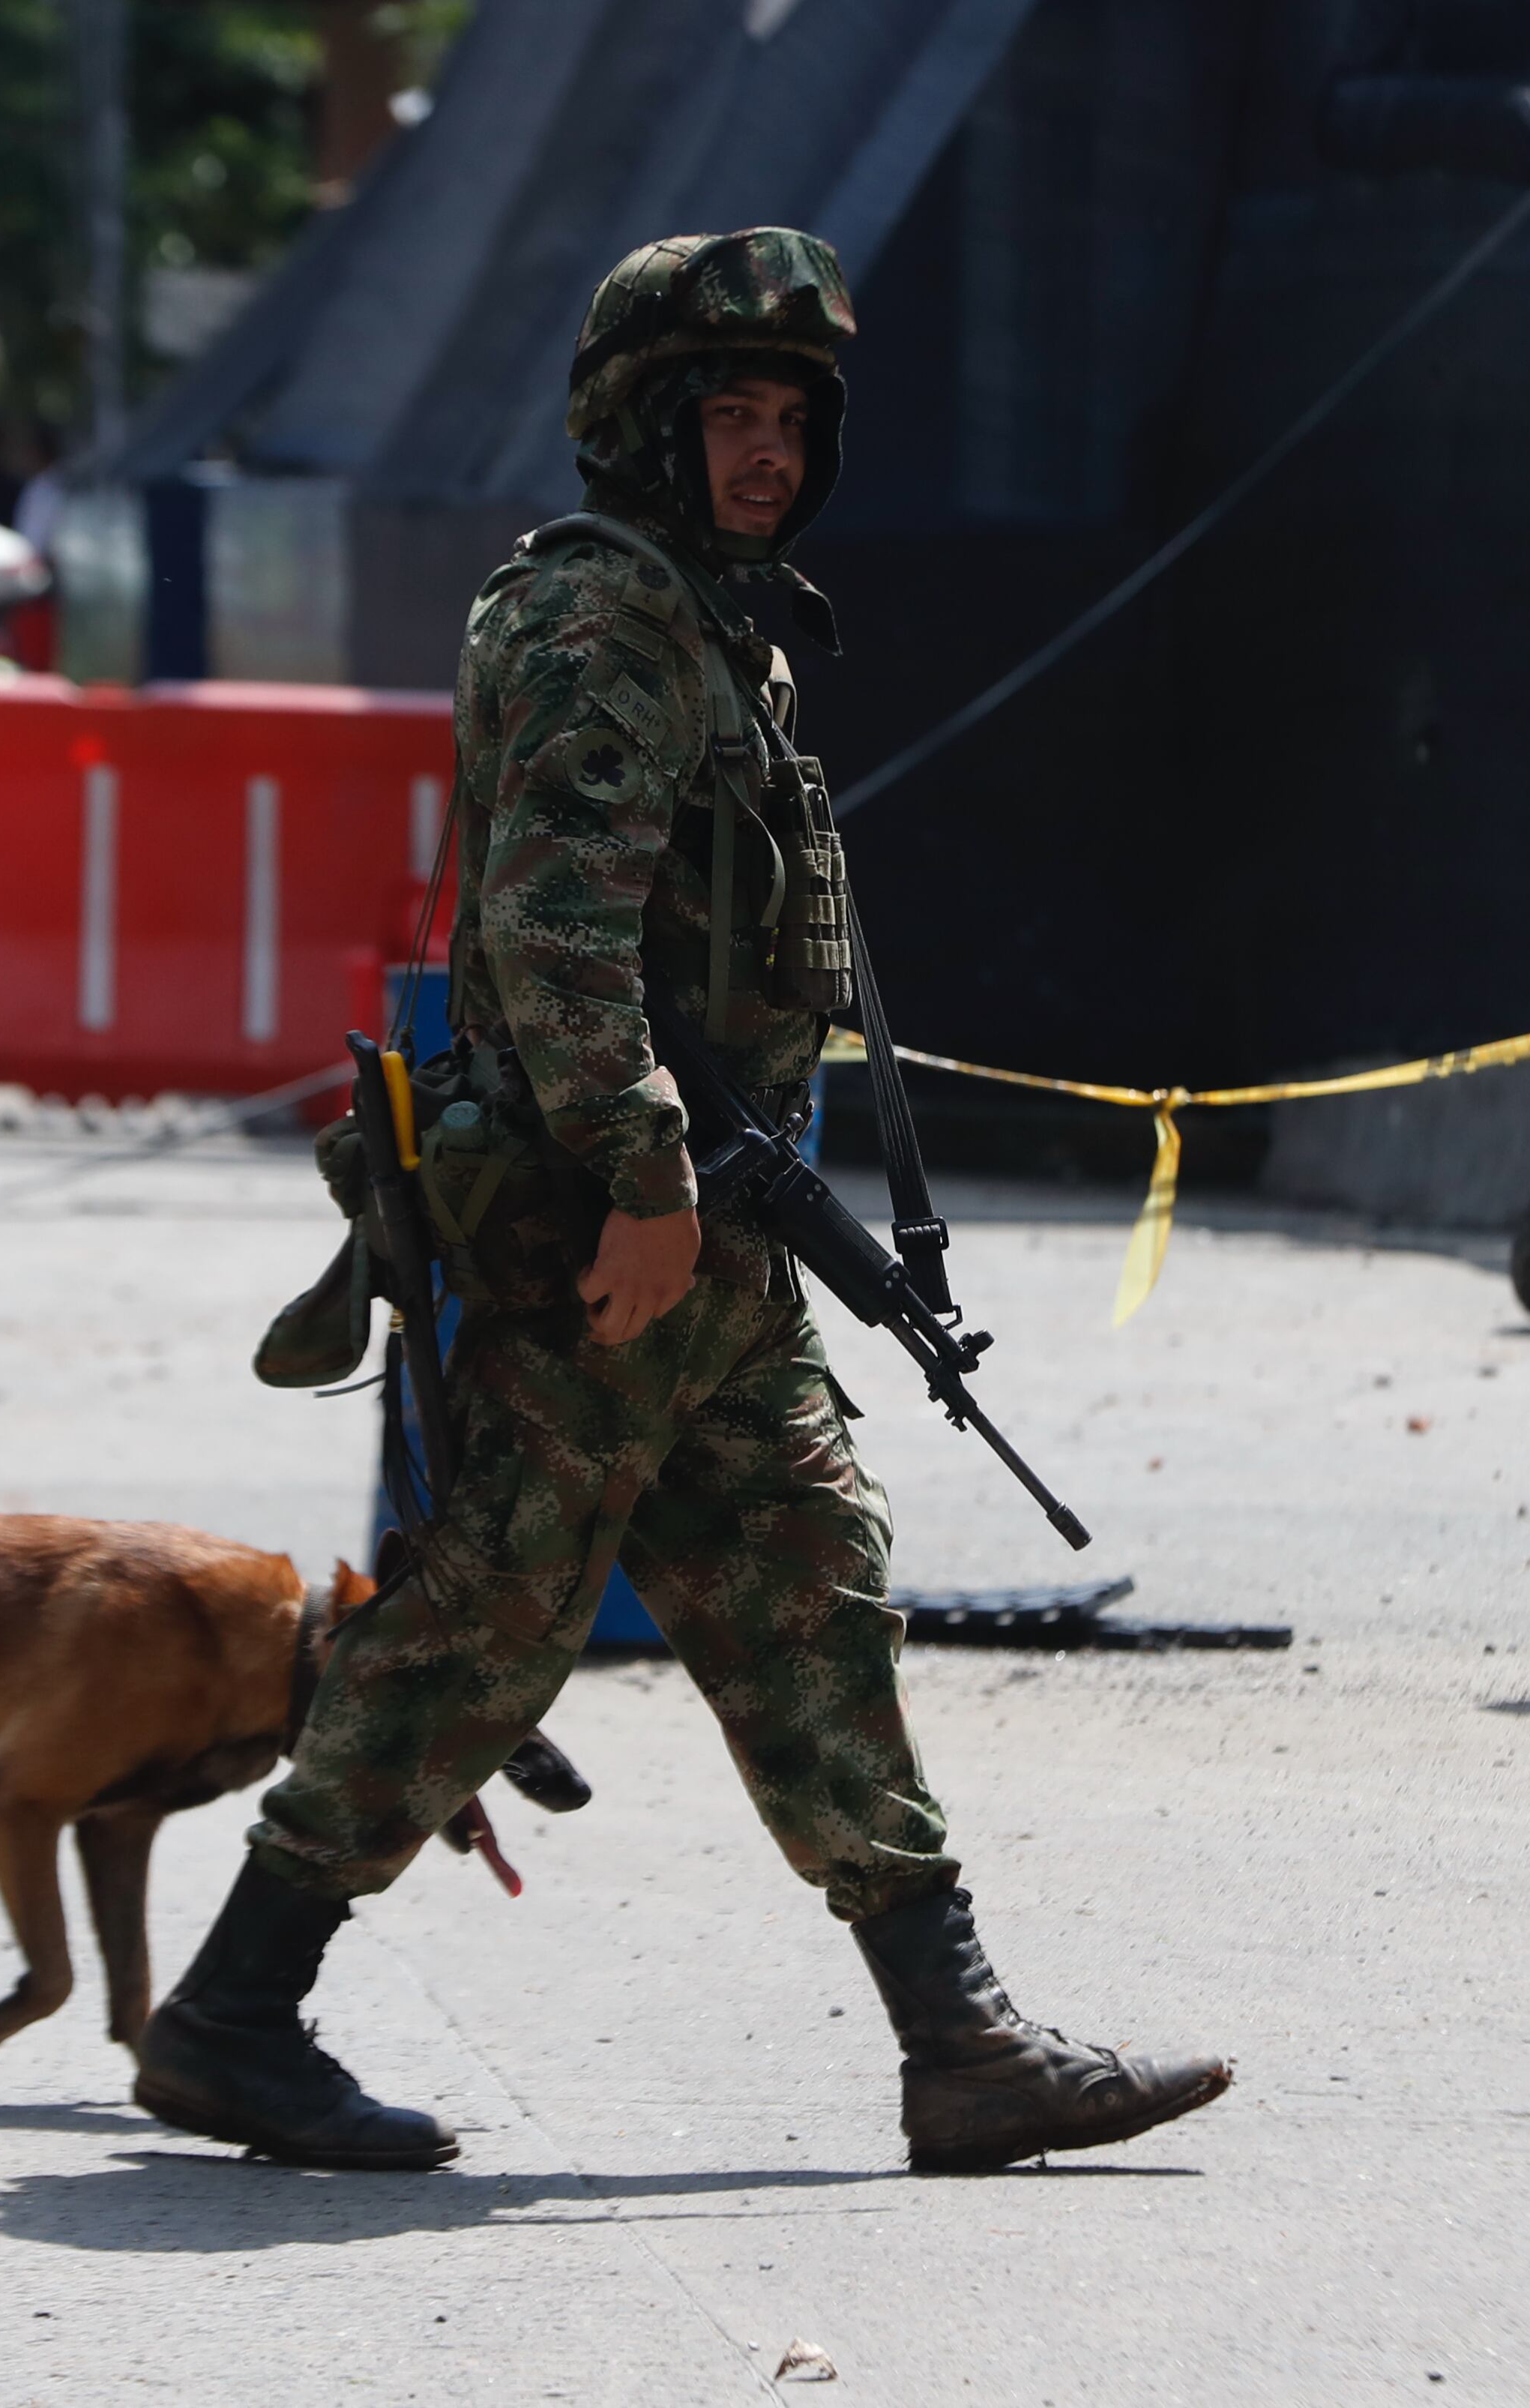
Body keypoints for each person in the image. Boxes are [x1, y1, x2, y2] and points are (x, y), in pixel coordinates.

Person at [133, 228, 1232, 2175]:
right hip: (600, 1230)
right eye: (723, 413)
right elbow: (555, 937)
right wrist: (643, 1179)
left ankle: (958, 2043)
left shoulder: (725, 625)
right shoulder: (602, 622)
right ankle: (231, 2013)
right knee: (490, 1609)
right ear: (640, 423)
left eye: (786, 418)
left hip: (705, 1231)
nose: (762, 453)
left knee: (808, 1581)